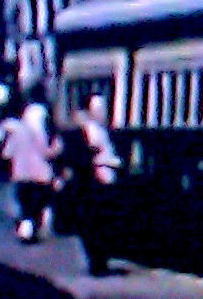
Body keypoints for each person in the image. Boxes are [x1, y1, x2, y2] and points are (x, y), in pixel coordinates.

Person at [57, 94, 123, 276]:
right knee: (95, 225)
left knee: (97, 225)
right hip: (95, 181)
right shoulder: (90, 131)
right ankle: (97, 263)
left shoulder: (100, 130)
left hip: (102, 180)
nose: (102, 112)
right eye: (98, 109)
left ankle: (98, 262)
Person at [0, 101, 61, 242]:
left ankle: (25, 230)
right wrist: (58, 146)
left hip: (20, 176)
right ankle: (34, 229)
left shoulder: (18, 131)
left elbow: (7, 153)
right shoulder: (40, 133)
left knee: (25, 206)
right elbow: (47, 153)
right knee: (37, 206)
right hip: (40, 177)